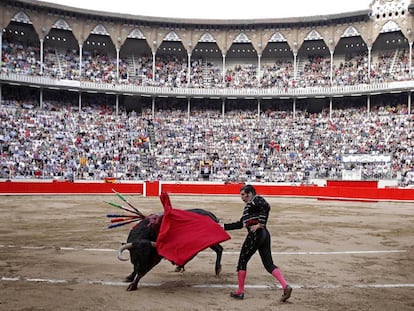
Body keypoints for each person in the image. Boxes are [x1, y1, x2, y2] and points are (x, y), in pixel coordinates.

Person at [222, 184, 292, 302]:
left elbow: (266, 206)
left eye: (243, 194)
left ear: (250, 194)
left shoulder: (255, 200)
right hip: (264, 234)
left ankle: (240, 291)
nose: (241, 197)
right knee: (268, 264)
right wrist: (222, 227)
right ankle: (285, 286)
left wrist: (260, 224)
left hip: (256, 234)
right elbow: (239, 224)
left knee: (242, 261)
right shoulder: (249, 207)